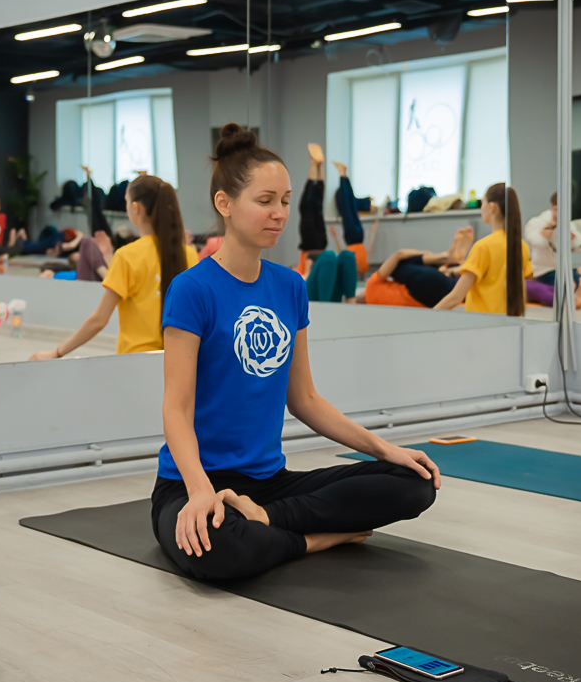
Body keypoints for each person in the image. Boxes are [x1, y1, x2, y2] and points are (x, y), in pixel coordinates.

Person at [154, 124, 442, 581]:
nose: (279, 213)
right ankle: (315, 539)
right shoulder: (192, 289)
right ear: (224, 203)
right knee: (220, 549)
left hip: (270, 485)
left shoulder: (290, 286)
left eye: (286, 201)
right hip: (191, 482)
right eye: (265, 200)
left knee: (415, 483)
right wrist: (200, 490)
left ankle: (267, 521)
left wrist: (386, 450)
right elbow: (176, 407)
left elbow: (304, 399)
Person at [31, 175, 197, 360]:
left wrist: (57, 352)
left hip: (135, 363)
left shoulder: (127, 256)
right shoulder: (189, 255)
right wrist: (108, 256)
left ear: (135, 208)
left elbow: (99, 320)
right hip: (181, 361)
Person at [432, 182, 531, 314]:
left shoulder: (483, 247)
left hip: (482, 322)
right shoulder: (522, 246)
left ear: (491, 207)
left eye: (482, 203)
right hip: (509, 322)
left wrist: (428, 317)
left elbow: (455, 298)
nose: (481, 208)